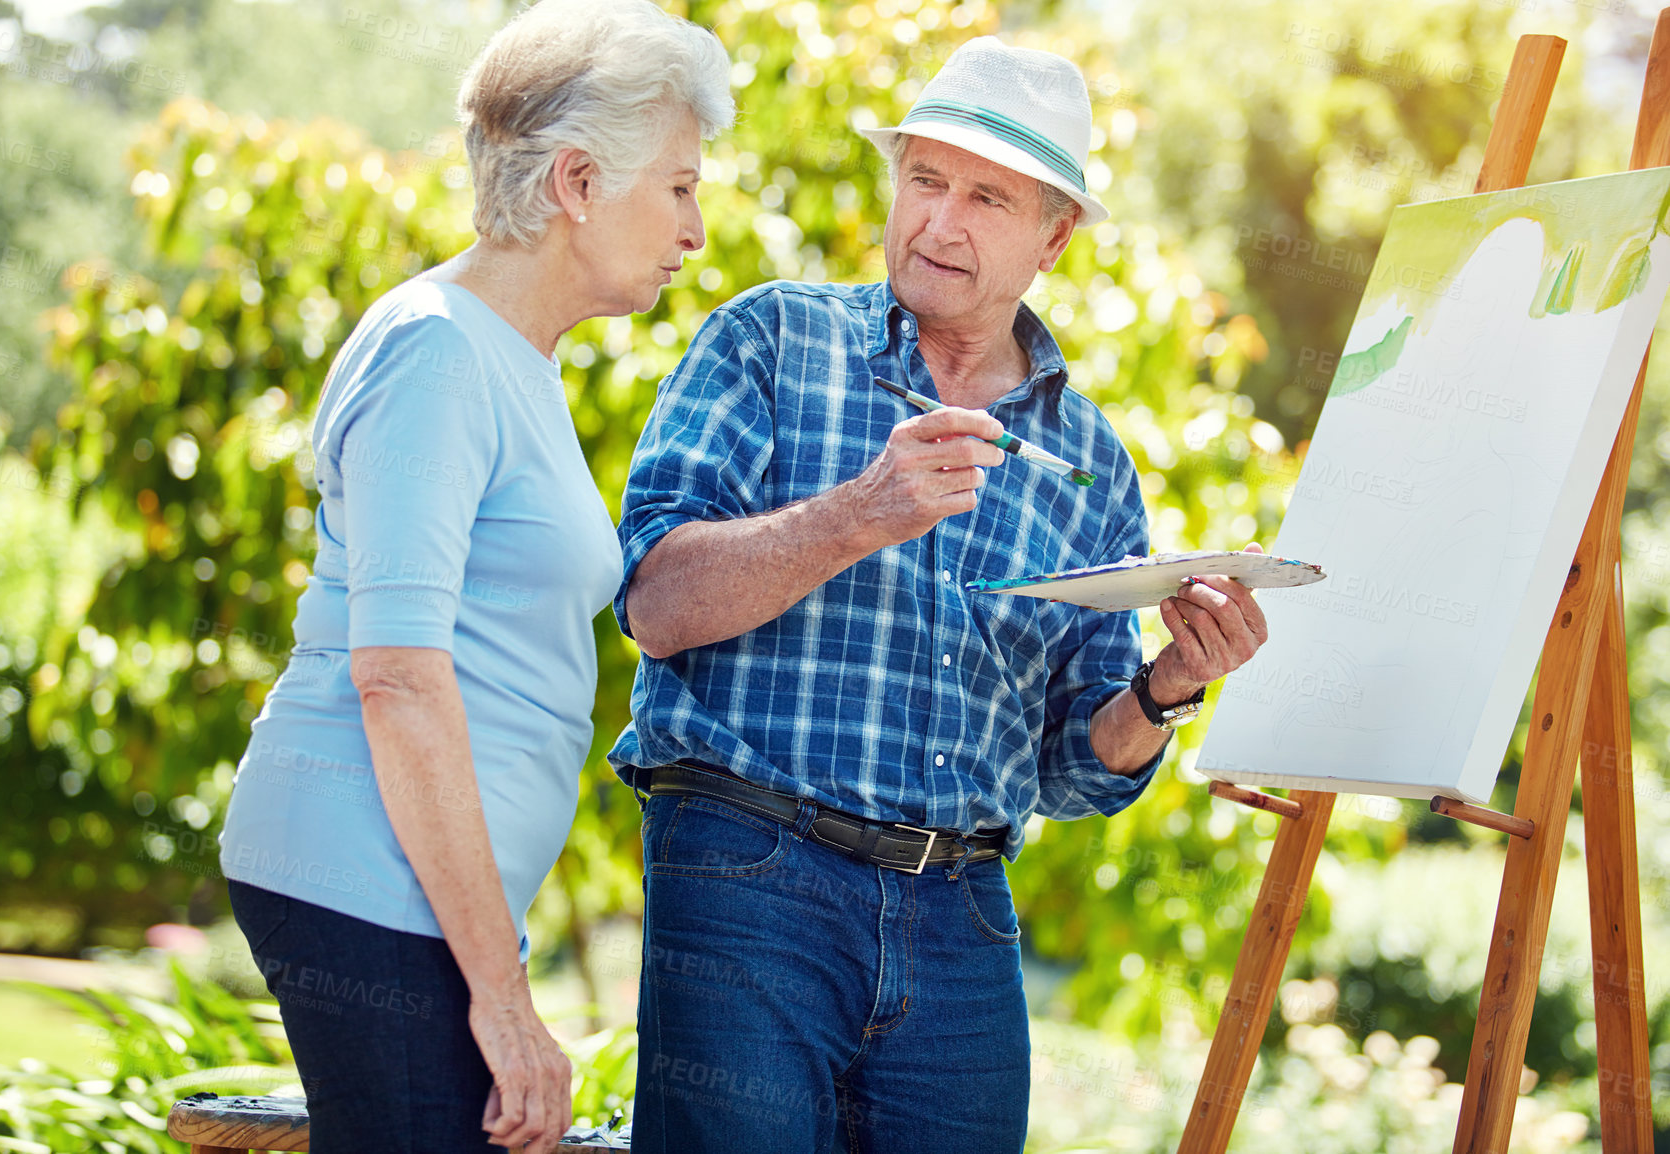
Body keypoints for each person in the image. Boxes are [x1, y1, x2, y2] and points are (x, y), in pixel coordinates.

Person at [612, 36, 1269, 1154]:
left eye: (985, 198)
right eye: (923, 179)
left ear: (1054, 233)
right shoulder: (770, 338)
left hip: (961, 915)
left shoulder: (1090, 460)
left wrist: (1166, 684)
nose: (936, 223)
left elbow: (1073, 765)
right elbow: (654, 602)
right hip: (748, 874)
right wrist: (857, 510)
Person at [216, 3, 732, 1150]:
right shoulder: (437, 350)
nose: (696, 229)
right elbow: (398, 677)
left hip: (412, 892)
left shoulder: (512, 360)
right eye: (682, 187)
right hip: (359, 871)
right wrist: (500, 996)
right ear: (579, 181)